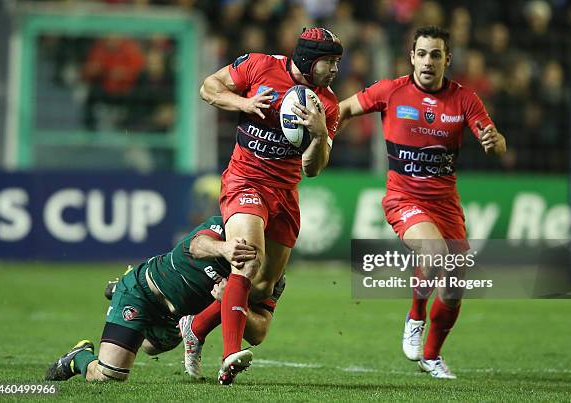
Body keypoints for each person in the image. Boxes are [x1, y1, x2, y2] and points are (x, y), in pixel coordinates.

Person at [338, 26, 506, 379]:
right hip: (403, 198)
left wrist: (495, 142)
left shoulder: (464, 99)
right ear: (411, 57)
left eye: (436, 55)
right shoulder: (391, 90)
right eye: (422, 54)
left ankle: (432, 355)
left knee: (455, 286)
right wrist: (320, 126)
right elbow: (346, 108)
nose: (428, 61)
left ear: (447, 60)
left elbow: (493, 140)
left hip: (445, 204)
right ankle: (415, 315)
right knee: (434, 253)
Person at [197, 27, 342, 384]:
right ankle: (229, 355)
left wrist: (321, 134)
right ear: (308, 60)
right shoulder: (259, 66)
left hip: (285, 193)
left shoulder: (329, 104)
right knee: (247, 258)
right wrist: (244, 104)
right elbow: (208, 88)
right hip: (245, 181)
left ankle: (195, 326)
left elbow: (313, 168)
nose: (336, 70)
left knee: (261, 288)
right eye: (330, 62)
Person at [45, 216, 285, 384]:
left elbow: (259, 332)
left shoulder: (272, 276)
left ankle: (121, 291)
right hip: (144, 293)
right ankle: (79, 357)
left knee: (152, 347)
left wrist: (234, 301)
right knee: (109, 375)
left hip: (175, 318)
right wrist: (223, 249)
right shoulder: (228, 226)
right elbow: (195, 246)